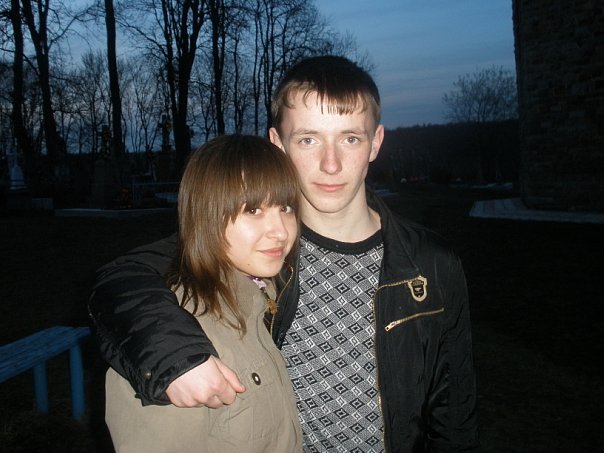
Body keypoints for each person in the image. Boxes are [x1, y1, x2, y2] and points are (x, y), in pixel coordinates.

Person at [90, 55, 479, 451]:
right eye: (308, 139)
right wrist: (173, 356)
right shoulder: (253, 249)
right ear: (278, 144)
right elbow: (123, 279)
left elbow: (454, 408)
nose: (331, 164)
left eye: (350, 138)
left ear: (376, 142)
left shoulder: (431, 263)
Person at [101, 135, 302, 452]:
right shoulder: (177, 346)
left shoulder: (263, 300)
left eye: (286, 207)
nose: (281, 231)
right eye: (253, 210)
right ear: (206, 216)